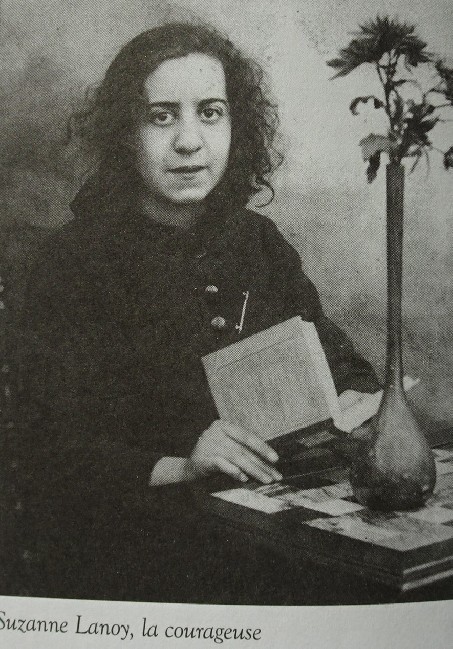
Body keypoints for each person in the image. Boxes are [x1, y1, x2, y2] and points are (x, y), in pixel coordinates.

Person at [13, 22, 379, 603]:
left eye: (211, 113)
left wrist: (364, 407)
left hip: (268, 535)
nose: (189, 141)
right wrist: (183, 463)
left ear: (237, 126)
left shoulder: (257, 243)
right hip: (136, 553)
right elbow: (46, 451)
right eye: (161, 117)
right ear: (124, 133)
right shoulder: (73, 262)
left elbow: (342, 368)